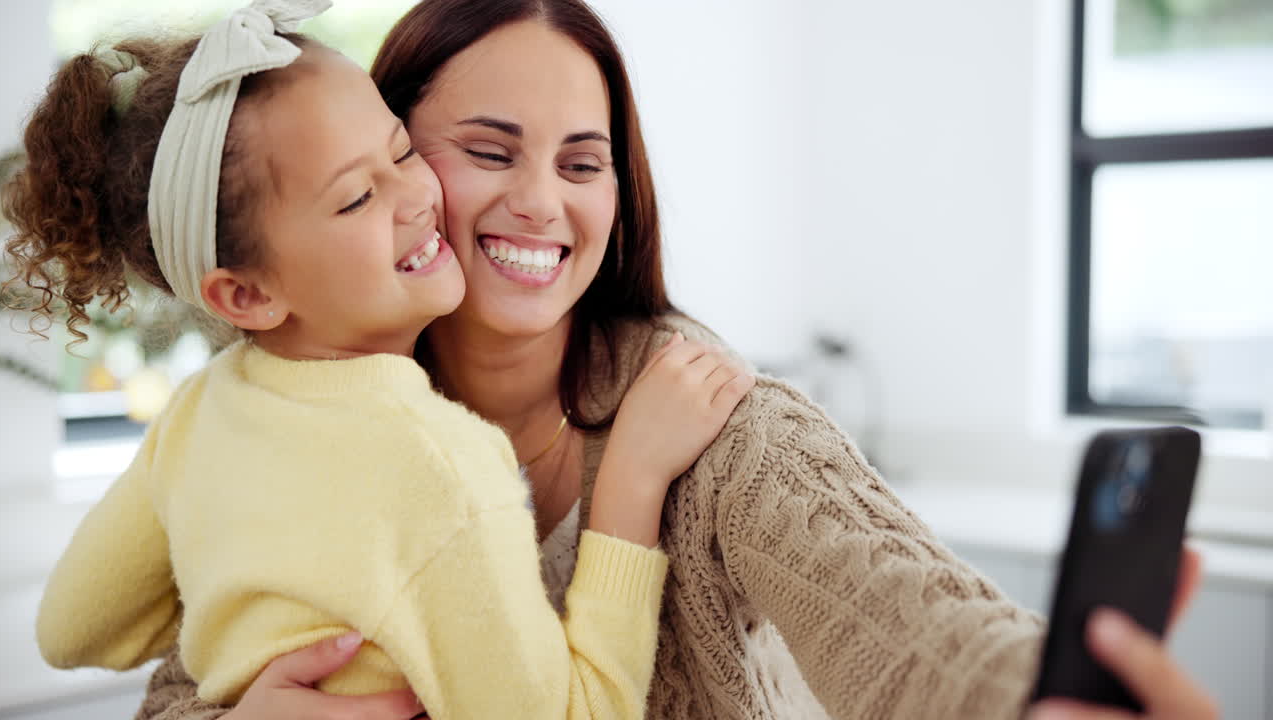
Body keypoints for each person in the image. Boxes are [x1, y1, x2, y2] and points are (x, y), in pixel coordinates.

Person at [127, 1, 1221, 719]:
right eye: (485, 150)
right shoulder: (276, 420)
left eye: (582, 162)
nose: (540, 204)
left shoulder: (724, 427)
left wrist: (1039, 697)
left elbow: (910, 627)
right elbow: (174, 680)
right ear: (395, 156)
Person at [4, 1, 754, 719]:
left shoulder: (199, 414)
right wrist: (629, 489)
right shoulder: (440, 463)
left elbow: (73, 631)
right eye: (357, 198)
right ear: (243, 294)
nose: (417, 197)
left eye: (400, 151)